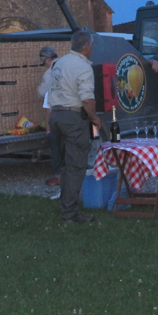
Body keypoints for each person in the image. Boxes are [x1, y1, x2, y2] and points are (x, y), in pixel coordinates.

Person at [38, 30, 101, 223]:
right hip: (73, 118)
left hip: (55, 116)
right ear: (88, 46)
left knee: (65, 165)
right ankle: (70, 213)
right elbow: (87, 98)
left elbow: (43, 91)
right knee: (76, 166)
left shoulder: (59, 63)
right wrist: (94, 118)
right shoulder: (82, 67)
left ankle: (67, 206)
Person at [38, 46, 62, 186]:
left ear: (47, 60)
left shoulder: (50, 74)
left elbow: (47, 107)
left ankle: (59, 177)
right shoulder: (67, 66)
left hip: (57, 121)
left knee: (56, 150)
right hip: (72, 117)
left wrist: (48, 129)